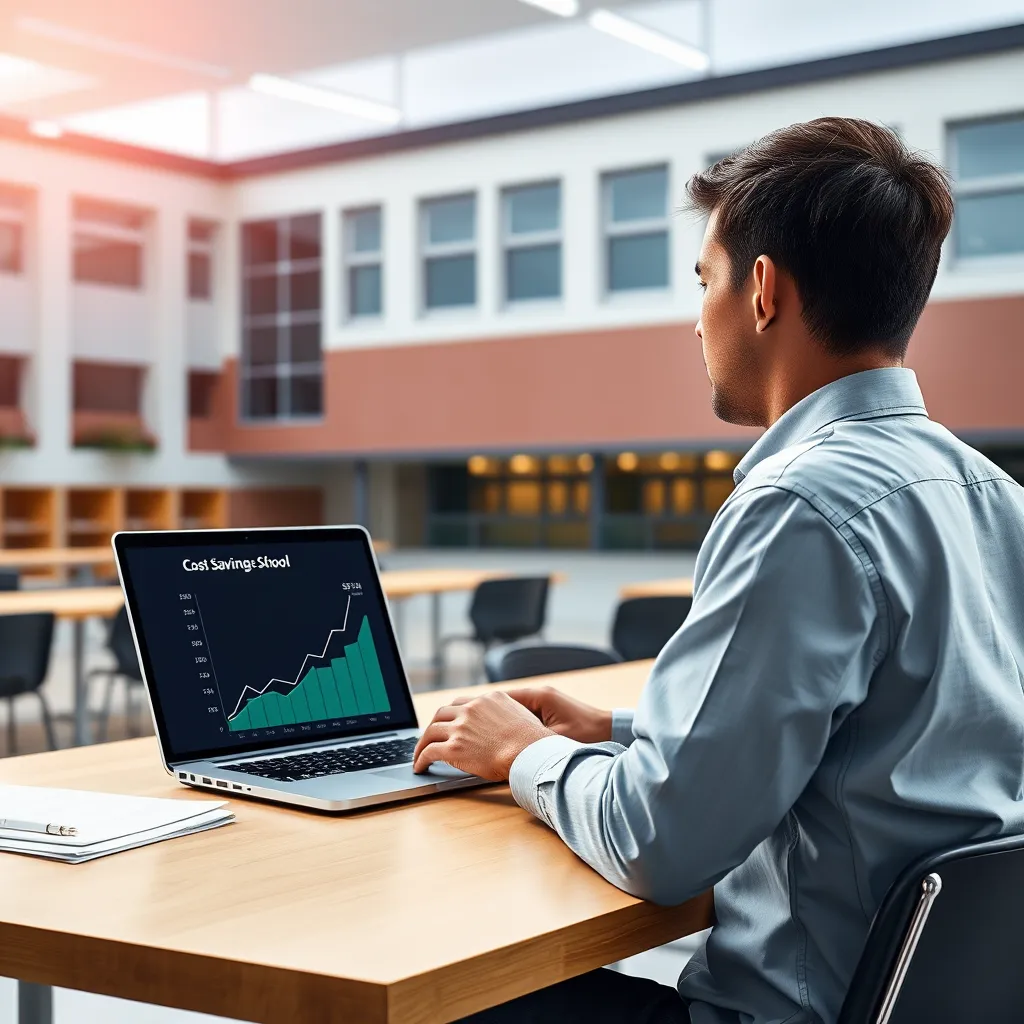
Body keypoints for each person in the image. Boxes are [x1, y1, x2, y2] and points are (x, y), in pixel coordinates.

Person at [412, 118, 1024, 1024]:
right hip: (940, 1000)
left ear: (763, 290)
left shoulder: (800, 506)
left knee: (427, 994)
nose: (697, 316)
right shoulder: (996, 495)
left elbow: (660, 843)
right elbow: (887, 736)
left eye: (704, 280)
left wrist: (523, 754)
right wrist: (616, 728)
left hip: (790, 1012)